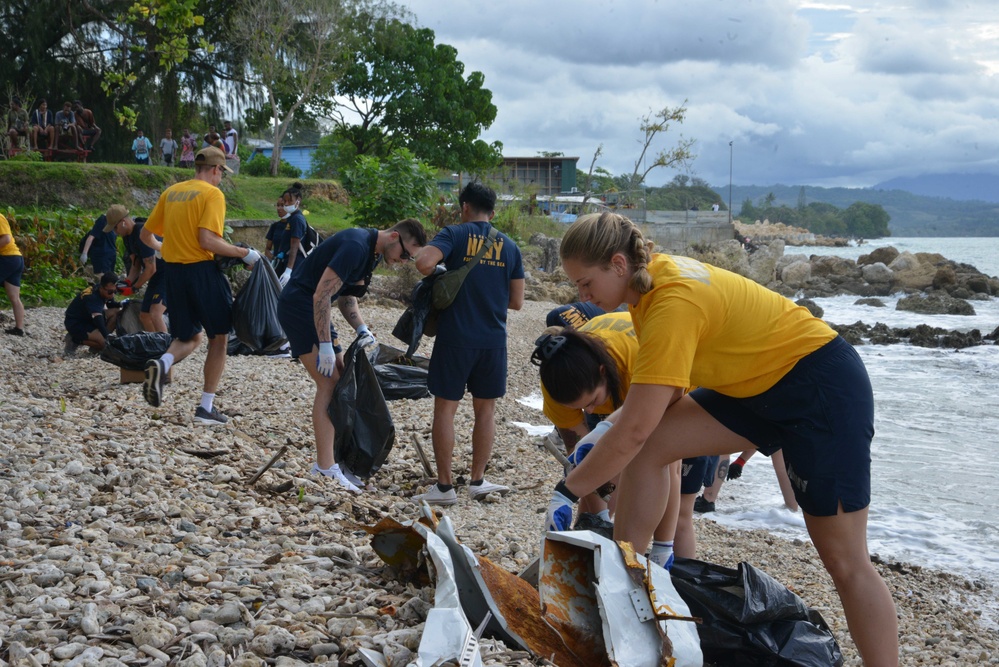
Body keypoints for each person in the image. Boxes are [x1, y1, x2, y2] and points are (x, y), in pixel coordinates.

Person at [548, 211, 898, 666]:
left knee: (845, 561)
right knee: (653, 448)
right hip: (755, 387)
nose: (582, 296)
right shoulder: (647, 289)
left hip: (819, 387)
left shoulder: (671, 300)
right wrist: (608, 429)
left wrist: (568, 489)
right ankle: (627, 588)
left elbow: (635, 427)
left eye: (585, 283)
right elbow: (663, 393)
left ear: (617, 264)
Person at [276, 218, 427, 492]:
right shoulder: (355, 246)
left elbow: (346, 297)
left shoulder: (372, 252)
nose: (404, 261)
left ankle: (338, 461)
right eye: (405, 254)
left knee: (344, 379)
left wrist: (361, 328)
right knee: (329, 383)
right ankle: (324, 467)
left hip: (315, 309)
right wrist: (324, 344)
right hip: (299, 307)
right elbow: (321, 295)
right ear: (394, 236)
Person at [412, 182, 525, 505]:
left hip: (455, 337)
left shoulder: (455, 234)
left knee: (446, 410)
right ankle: (478, 480)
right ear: (493, 210)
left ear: (464, 207)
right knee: (485, 411)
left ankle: (445, 488)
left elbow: (423, 263)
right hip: (492, 340)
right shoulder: (510, 246)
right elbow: (517, 302)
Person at [139, 146, 261, 425]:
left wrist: (165, 247)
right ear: (216, 169)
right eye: (222, 174)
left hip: (174, 274)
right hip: (202, 272)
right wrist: (244, 253)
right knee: (218, 338)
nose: (221, 179)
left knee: (188, 337)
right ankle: (206, 407)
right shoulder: (212, 194)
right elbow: (207, 240)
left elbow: (146, 235)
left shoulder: (172, 192)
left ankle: (163, 363)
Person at [112, 208, 168, 332]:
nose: (115, 232)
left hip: (168, 272)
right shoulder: (127, 237)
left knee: (156, 313)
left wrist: (134, 287)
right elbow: (135, 265)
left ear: (123, 222)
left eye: (115, 228)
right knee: (145, 316)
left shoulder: (141, 232)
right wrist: (127, 282)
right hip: (156, 275)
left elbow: (150, 268)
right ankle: (155, 346)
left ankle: (168, 348)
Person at [63, 273, 121, 354]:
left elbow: (110, 304)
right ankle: (74, 339)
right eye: (110, 292)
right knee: (107, 345)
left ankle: (97, 344)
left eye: (115, 291)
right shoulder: (92, 297)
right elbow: (98, 318)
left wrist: (121, 303)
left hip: (88, 318)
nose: (113, 295)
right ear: (102, 287)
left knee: (116, 312)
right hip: (76, 324)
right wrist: (107, 336)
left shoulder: (102, 290)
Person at [273, 183, 307, 287]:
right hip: (288, 260)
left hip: (295, 263)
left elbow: (294, 245)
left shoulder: (297, 219)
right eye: (285, 201)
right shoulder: (291, 218)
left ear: (298, 201)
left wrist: (289, 270)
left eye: (290, 201)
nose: (286, 204)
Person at [0, 212, 26, 336]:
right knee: (14, 297)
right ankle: (19, 328)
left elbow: (6, 239)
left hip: (7, 258)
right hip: (15, 258)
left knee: (14, 297)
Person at [80, 208, 121, 275]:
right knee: (102, 276)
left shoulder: (114, 224)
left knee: (109, 277)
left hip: (110, 256)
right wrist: (84, 253)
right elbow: (91, 237)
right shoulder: (103, 221)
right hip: (102, 255)